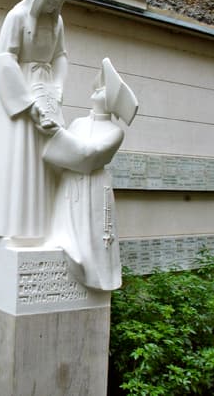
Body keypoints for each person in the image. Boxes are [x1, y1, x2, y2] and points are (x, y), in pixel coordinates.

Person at [0, 0, 70, 240]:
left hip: (48, 94)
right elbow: (5, 59)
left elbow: (60, 57)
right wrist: (28, 103)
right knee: (22, 158)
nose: (54, 6)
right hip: (20, 94)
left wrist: (57, 88)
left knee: (48, 159)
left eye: (59, 0)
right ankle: (18, 230)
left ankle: (44, 230)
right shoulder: (17, 16)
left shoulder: (57, 23)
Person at [43, 58, 138, 290]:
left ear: (111, 101)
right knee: (65, 231)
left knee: (92, 238)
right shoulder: (77, 123)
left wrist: (56, 133)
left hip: (94, 188)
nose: (97, 90)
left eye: (103, 89)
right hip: (69, 187)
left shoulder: (115, 132)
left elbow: (89, 156)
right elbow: (61, 155)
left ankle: (96, 277)